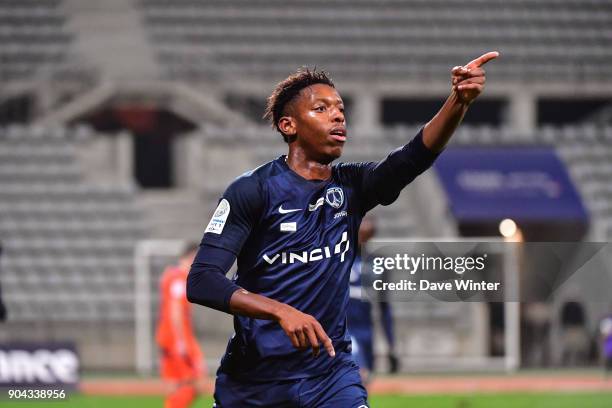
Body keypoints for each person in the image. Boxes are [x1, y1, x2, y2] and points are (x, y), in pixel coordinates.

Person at [187, 51, 498, 407]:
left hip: (329, 375)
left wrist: (458, 101)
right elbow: (202, 281)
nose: (337, 115)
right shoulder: (252, 190)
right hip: (254, 382)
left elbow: (412, 157)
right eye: (321, 109)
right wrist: (279, 311)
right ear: (288, 126)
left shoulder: (352, 187)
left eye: (340, 109)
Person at [348, 216, 398, 384]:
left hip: (366, 331)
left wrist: (391, 345)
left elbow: (385, 308)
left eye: (367, 234)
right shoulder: (337, 260)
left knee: (365, 383)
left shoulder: (378, 264)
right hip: (343, 330)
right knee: (358, 377)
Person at [156, 243, 204, 408]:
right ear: (192, 257)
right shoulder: (179, 279)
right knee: (195, 380)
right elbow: (175, 310)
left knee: (175, 385)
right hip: (177, 336)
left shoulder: (170, 274)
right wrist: (181, 341)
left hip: (167, 335)